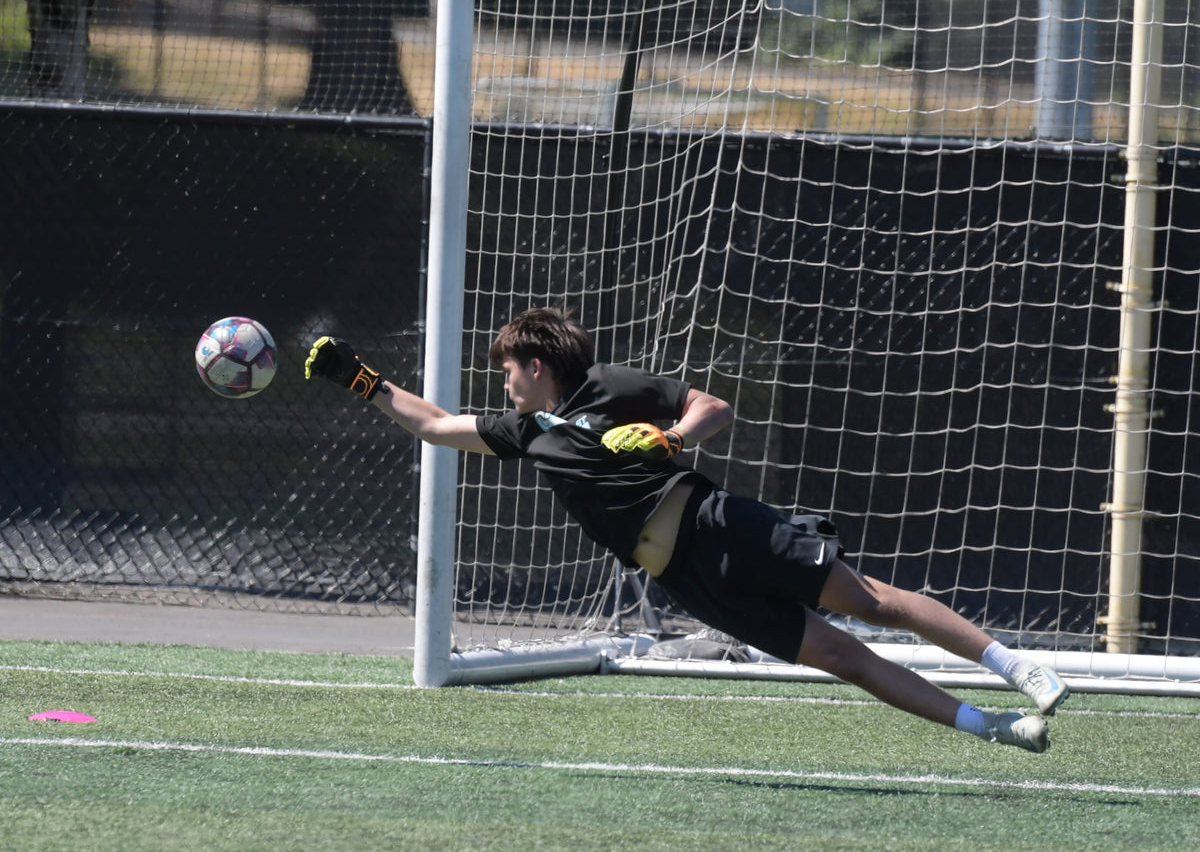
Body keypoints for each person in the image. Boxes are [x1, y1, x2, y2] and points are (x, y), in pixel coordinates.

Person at [305, 307, 1069, 753]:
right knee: (841, 655)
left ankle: (1018, 668)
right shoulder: (522, 428)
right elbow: (436, 424)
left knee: (870, 601)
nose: (501, 378)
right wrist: (360, 378)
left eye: (507, 367)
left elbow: (710, 406)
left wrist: (672, 439)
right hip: (687, 580)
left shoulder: (609, 386)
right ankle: (997, 727)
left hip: (716, 524)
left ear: (535, 362)